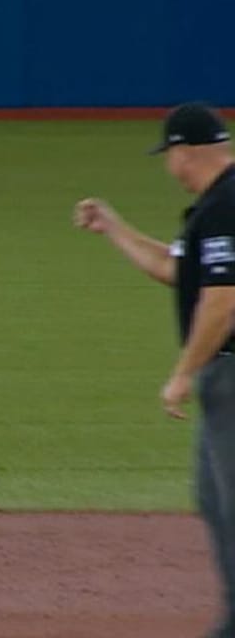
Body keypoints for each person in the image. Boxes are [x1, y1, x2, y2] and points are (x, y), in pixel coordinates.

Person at [75, 102, 235, 638]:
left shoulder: (228, 204)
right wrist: (113, 228)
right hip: (223, 377)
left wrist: (184, 371)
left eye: (169, 156)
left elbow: (225, 300)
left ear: (185, 153)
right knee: (215, 500)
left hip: (230, 375)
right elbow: (174, 268)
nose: (168, 168)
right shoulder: (212, 207)